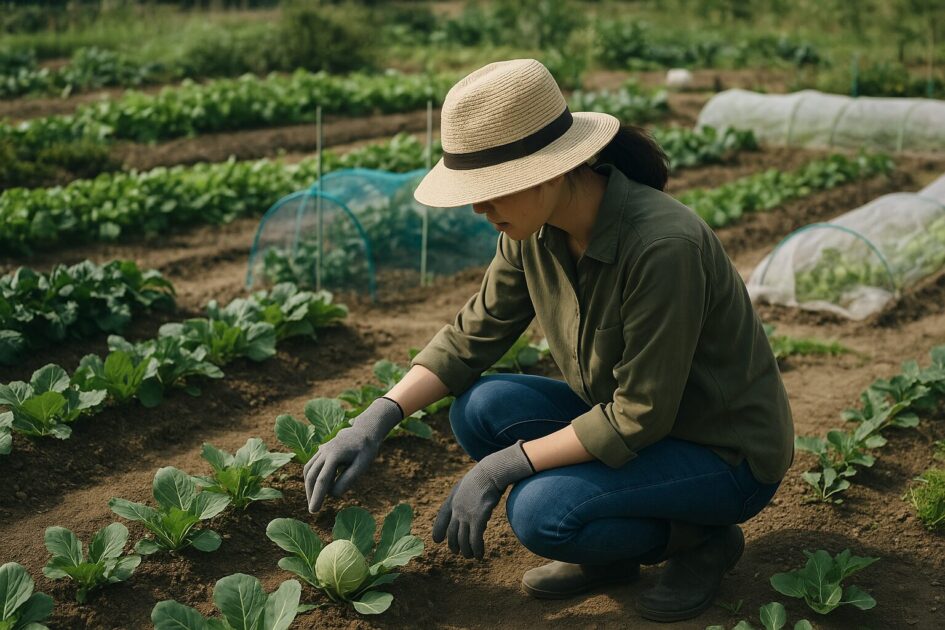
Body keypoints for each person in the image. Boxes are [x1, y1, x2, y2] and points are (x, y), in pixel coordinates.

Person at [302, 58, 794, 623]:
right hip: (638, 429)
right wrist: (377, 417)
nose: (479, 207)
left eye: (492, 190)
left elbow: (640, 415)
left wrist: (499, 468)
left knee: (540, 513)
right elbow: (471, 335)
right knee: (482, 408)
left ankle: (703, 542)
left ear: (552, 170)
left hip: (722, 453)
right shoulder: (533, 231)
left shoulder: (662, 247)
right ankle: (613, 556)